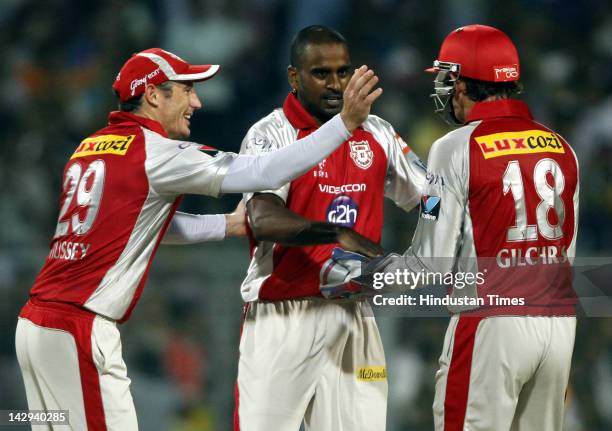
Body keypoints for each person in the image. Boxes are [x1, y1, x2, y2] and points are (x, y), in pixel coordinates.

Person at [14, 47, 382, 430]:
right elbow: (265, 172)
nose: (197, 101)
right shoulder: (156, 153)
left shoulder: (89, 148)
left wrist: (227, 225)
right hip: (78, 328)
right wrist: (342, 124)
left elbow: (138, 228)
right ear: (154, 94)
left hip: (37, 326)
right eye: (186, 89)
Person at [329, 24, 580, 430]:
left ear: (462, 84)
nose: (445, 90)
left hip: (491, 324)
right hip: (559, 324)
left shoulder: (455, 146)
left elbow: (430, 265)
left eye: (447, 78)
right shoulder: (562, 146)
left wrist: (362, 276)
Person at [234, 26, 426, 431]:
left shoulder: (378, 132)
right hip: (282, 315)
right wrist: (335, 234)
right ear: (294, 77)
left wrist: (418, 259)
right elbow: (263, 218)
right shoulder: (269, 134)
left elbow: (433, 199)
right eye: (321, 73)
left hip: (355, 316)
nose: (336, 83)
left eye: (344, 71)